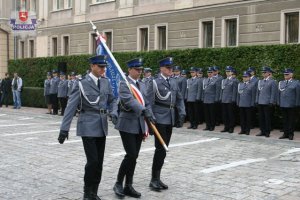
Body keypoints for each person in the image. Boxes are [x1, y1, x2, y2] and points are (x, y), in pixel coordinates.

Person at [58, 55, 118, 200]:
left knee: (99, 163)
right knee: (92, 161)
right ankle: (87, 191)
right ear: (92, 66)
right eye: (100, 67)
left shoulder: (106, 82)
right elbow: (71, 107)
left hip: (102, 126)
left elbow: (113, 100)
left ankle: (94, 192)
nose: (103, 69)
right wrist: (64, 129)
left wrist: (114, 112)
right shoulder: (81, 83)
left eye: (104, 67)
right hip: (87, 125)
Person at [113, 58, 155, 198]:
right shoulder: (124, 84)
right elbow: (129, 101)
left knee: (134, 156)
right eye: (137, 70)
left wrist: (150, 114)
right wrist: (144, 111)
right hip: (127, 123)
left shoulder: (141, 84)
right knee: (130, 154)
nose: (139, 72)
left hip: (139, 124)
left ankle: (128, 185)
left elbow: (147, 101)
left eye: (141, 70)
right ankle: (118, 183)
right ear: (130, 70)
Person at [147, 57, 186, 191]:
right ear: (161, 69)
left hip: (170, 118)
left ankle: (157, 177)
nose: (171, 70)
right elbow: (149, 102)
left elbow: (179, 98)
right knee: (160, 149)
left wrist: (182, 113)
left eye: (171, 68)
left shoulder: (173, 82)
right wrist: (150, 121)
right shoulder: (154, 82)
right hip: (159, 118)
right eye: (168, 68)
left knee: (164, 149)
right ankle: (154, 179)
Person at [278, 68, 300, 140]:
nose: (285, 75)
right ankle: (285, 133)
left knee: (291, 120)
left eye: (287, 74)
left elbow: (298, 94)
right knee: (284, 120)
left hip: (291, 105)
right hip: (283, 104)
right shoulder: (281, 82)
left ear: (291, 74)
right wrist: (279, 102)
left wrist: (297, 104)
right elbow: (279, 94)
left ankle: (291, 134)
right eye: (284, 74)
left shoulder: (296, 82)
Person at [256, 67, 278, 137]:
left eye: (264, 72)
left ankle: (267, 132)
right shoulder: (260, 81)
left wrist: (271, 102)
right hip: (260, 102)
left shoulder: (272, 82)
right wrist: (257, 100)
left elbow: (273, 93)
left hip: (267, 102)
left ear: (269, 73)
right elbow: (258, 92)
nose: (263, 73)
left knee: (267, 118)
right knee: (261, 118)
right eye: (262, 72)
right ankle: (262, 131)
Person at [220, 66, 238, 133]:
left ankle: (231, 128)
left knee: (231, 115)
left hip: (230, 100)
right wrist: (221, 98)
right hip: (224, 99)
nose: (227, 73)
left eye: (229, 71)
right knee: (225, 115)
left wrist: (233, 99)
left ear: (231, 72)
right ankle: (226, 127)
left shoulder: (234, 80)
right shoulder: (224, 80)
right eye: (226, 71)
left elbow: (234, 91)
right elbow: (222, 90)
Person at [202, 67, 220, 131]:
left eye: (211, 72)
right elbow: (203, 90)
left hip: (212, 99)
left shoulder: (216, 80)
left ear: (213, 73)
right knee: (206, 114)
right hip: (206, 99)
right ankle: (207, 126)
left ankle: (212, 126)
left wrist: (216, 99)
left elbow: (217, 90)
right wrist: (203, 98)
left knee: (212, 114)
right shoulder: (205, 80)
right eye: (208, 72)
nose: (209, 73)